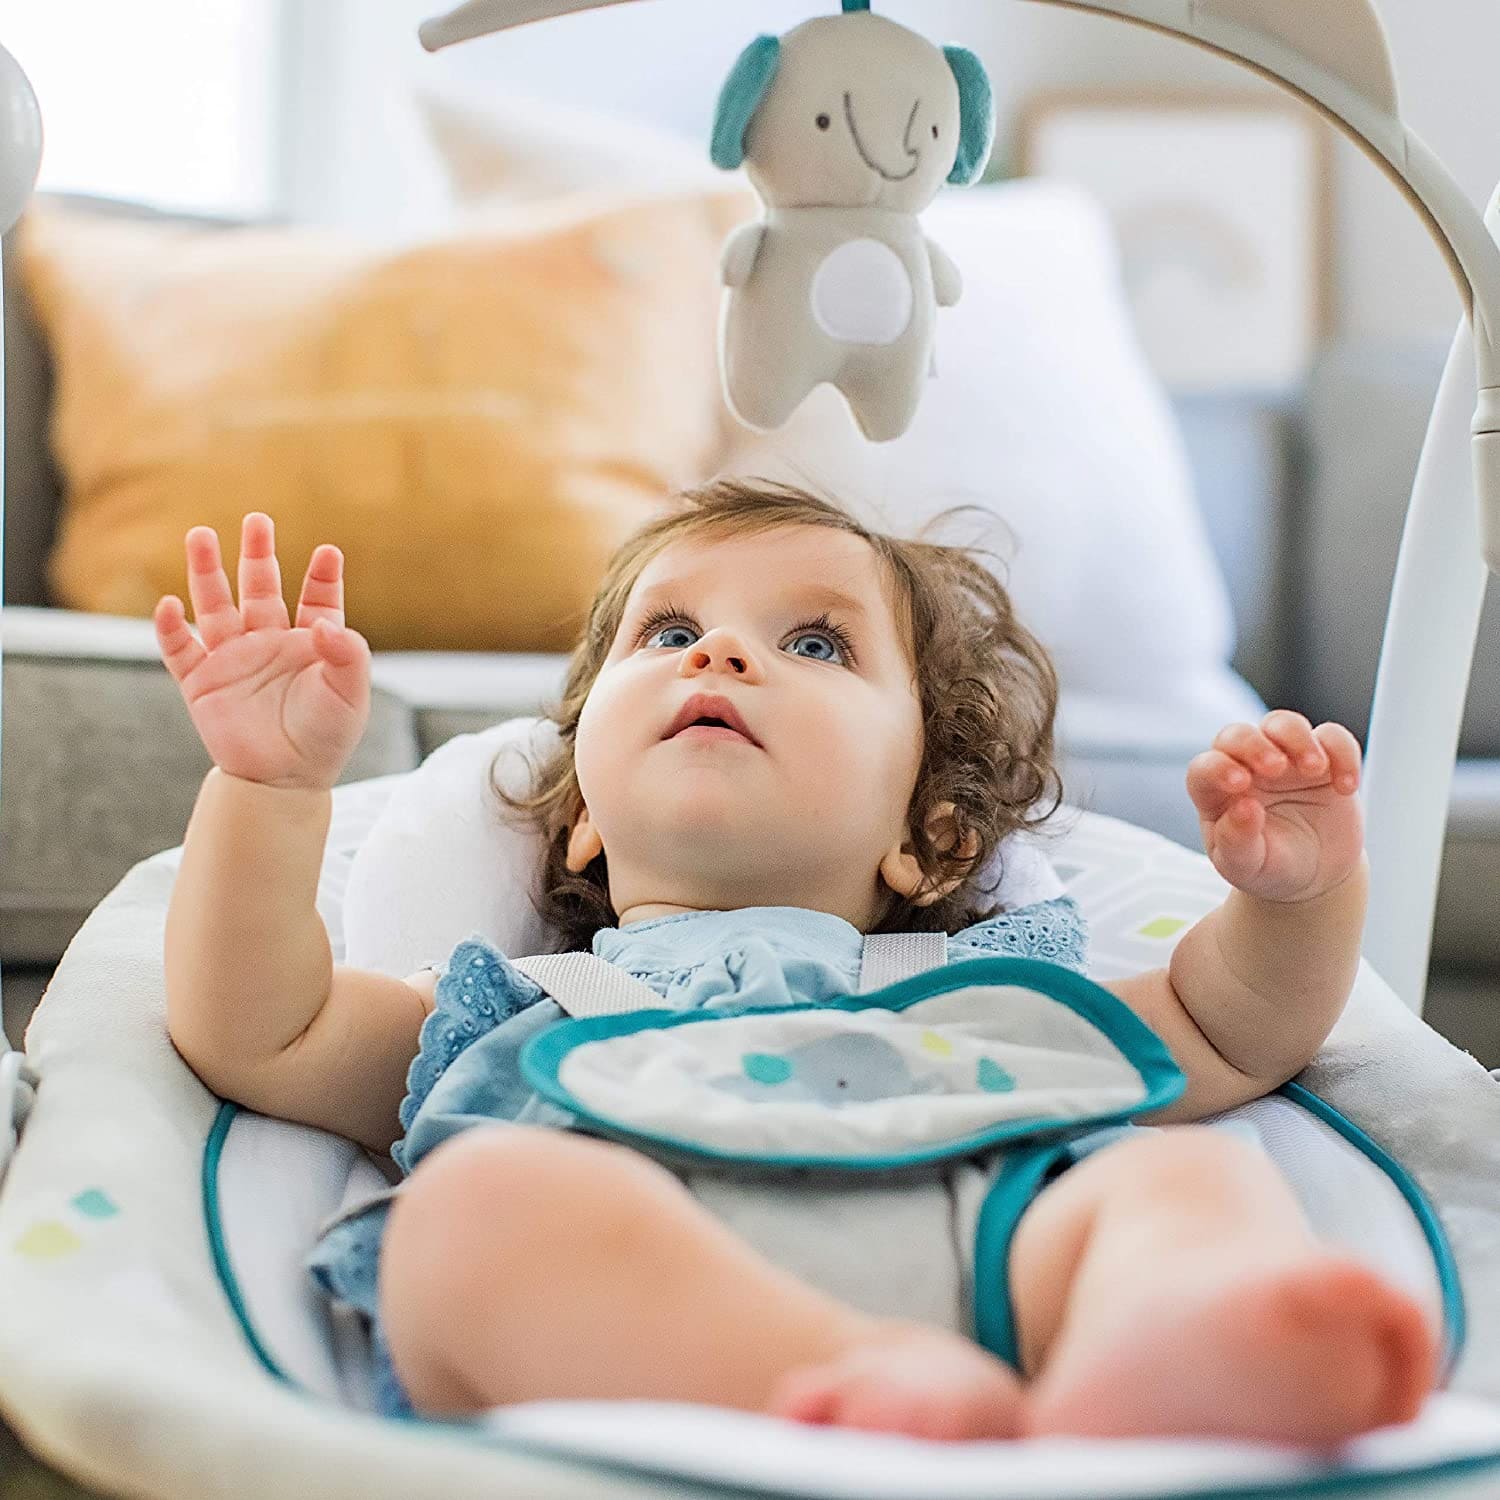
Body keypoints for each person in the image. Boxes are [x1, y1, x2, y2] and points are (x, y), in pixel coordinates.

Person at [154, 481, 1439, 1446]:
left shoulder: (989, 983)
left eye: (816, 644)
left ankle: (1171, 1348)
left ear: (928, 838)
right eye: (665, 633)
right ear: (584, 814)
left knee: (1178, 1181)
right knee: (472, 1219)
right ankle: (864, 1386)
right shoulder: (516, 1003)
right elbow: (259, 1031)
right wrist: (268, 788)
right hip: (648, 1321)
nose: (721, 655)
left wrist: (1300, 893)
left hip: (994, 1262)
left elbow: (1233, 1032)